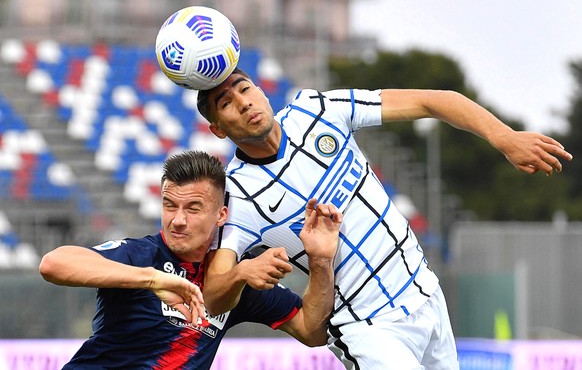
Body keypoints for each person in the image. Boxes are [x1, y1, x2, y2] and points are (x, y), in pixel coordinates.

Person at [196, 68, 574, 370]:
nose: (243, 103)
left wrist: (504, 138)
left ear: (260, 89)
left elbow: (432, 101)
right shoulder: (239, 195)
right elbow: (212, 295)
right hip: (366, 327)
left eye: (244, 89)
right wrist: (243, 273)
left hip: (425, 293)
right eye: (226, 103)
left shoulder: (319, 109)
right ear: (218, 128)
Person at [39, 150, 342, 370]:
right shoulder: (142, 255)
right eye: (169, 205)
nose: (177, 220)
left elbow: (313, 332)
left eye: (193, 209)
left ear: (221, 215)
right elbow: (54, 263)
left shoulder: (232, 281)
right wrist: (152, 279)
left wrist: (320, 261)